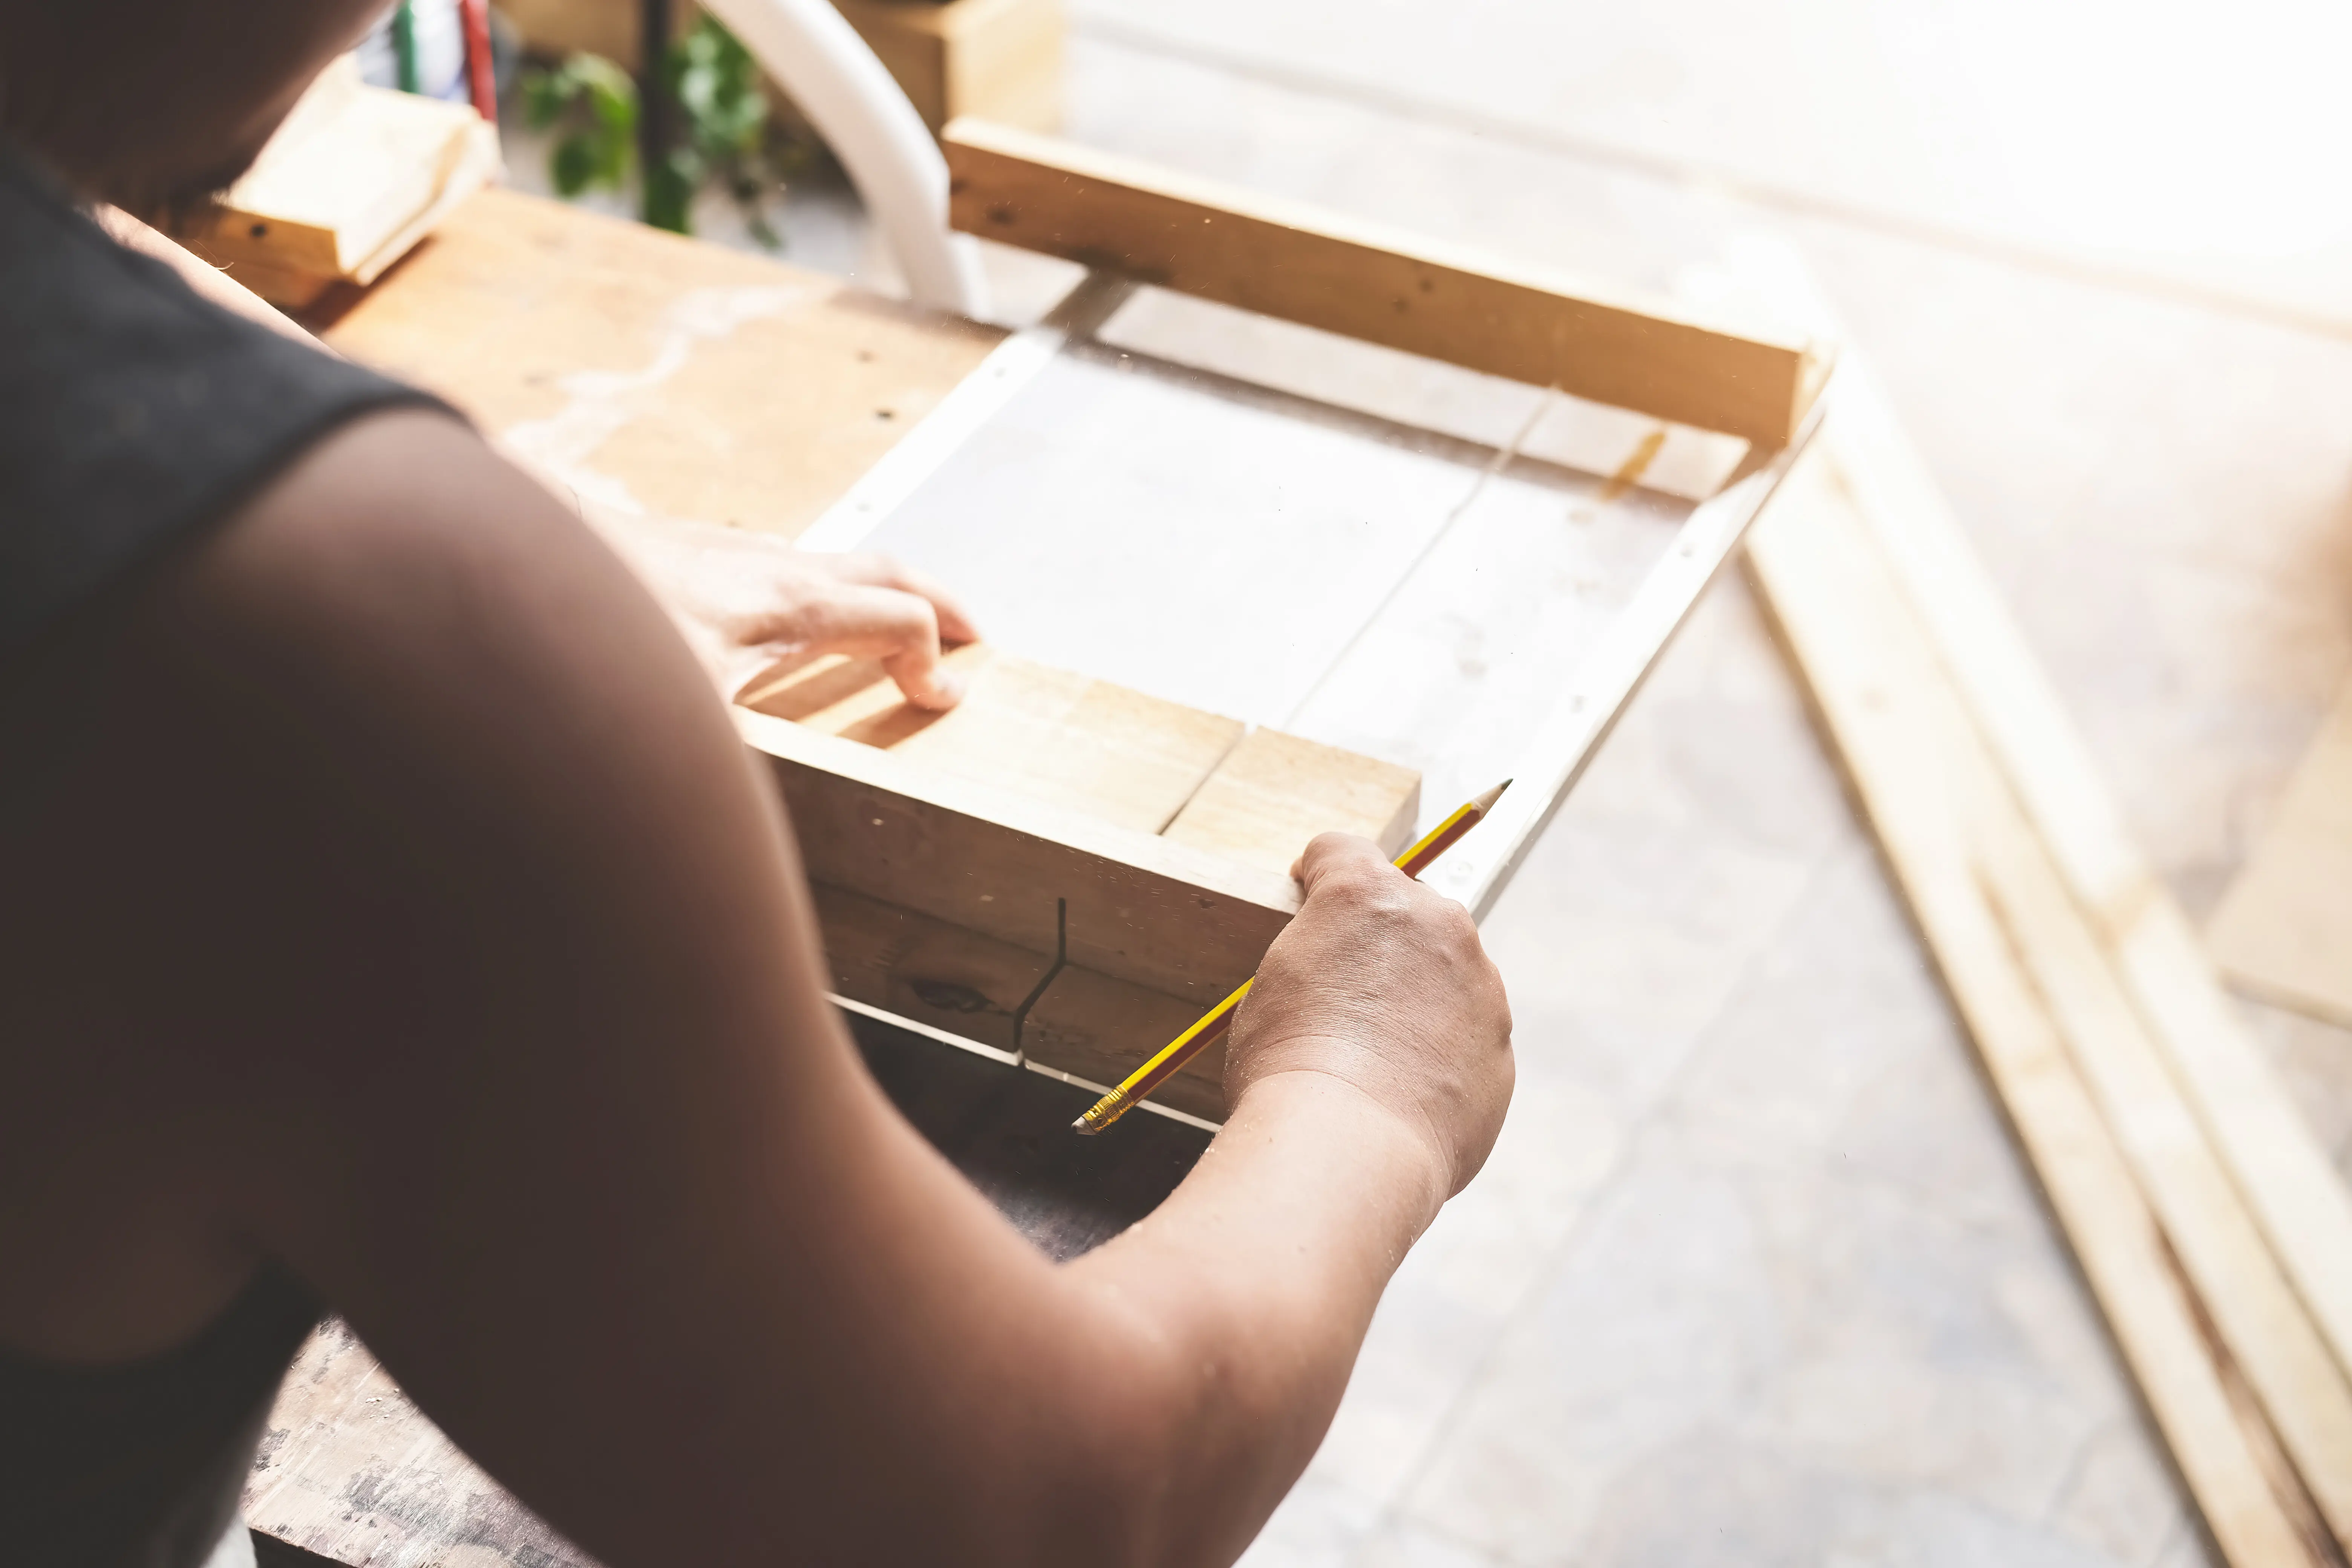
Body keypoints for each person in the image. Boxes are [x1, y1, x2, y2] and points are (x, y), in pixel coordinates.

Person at [0, 3, 1517, 1566]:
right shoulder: (293, 653)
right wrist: (1370, 1093)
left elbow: (61, 215)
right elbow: (1042, 1511)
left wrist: (484, 495)